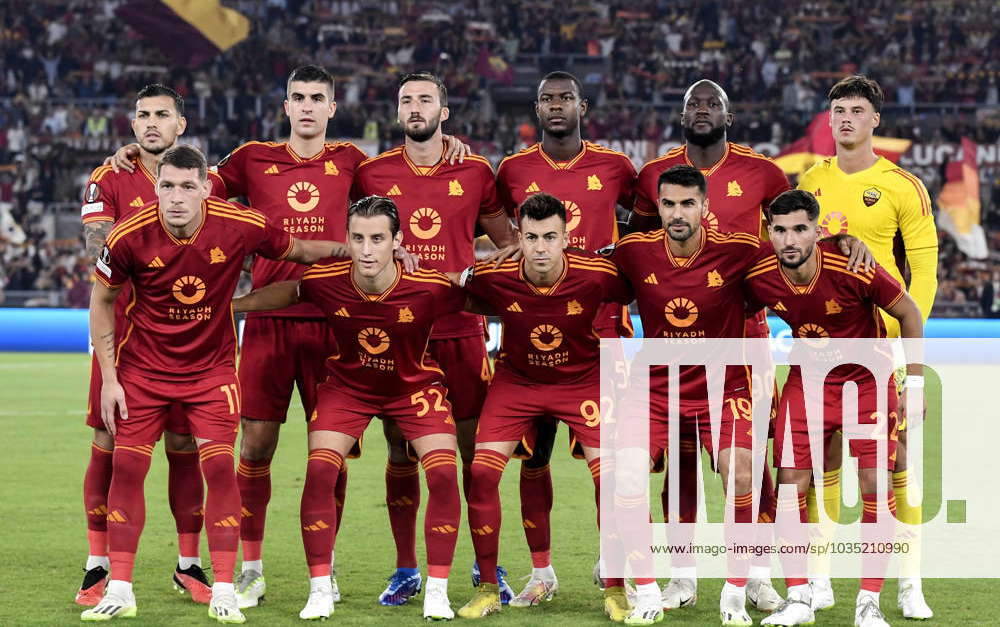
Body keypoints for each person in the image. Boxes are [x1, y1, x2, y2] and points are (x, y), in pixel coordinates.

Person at [106, 65, 471, 609]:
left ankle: (327, 571)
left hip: (335, 324)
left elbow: (401, 191)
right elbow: (190, 181)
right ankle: (250, 568)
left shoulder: (355, 163)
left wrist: (447, 145)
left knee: (331, 454)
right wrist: (139, 158)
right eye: (297, 97)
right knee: (254, 446)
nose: (306, 106)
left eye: (316, 98)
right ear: (286, 106)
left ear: (331, 107)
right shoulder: (252, 157)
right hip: (269, 322)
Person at [81, 145, 344, 623]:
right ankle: (119, 587)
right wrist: (110, 379)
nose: (176, 197)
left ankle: (224, 586)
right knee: (128, 470)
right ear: (155, 188)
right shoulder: (128, 235)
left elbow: (302, 251)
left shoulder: (240, 223)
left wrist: (353, 250)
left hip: (211, 374)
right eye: (167, 186)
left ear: (207, 187)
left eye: (187, 186)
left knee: (221, 470)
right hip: (142, 372)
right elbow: (101, 300)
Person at [231, 195, 465, 621]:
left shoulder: (429, 285)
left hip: (411, 389)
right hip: (349, 388)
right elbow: (289, 292)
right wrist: (232, 307)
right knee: (321, 469)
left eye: (378, 238)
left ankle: (437, 590)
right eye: (358, 238)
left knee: (445, 472)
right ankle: (321, 588)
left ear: (398, 241)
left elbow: (481, 297)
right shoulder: (326, 279)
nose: (367, 249)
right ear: (348, 240)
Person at [351, 72, 518, 606]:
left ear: (444, 111)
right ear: (397, 112)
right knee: (400, 451)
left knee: (473, 455)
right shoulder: (371, 173)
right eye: (406, 100)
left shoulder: (475, 171)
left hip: (462, 331)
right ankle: (406, 569)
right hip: (398, 334)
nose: (415, 107)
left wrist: (474, 272)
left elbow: (510, 244)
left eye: (425, 99)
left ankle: (485, 567)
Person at [450, 192, 649, 621]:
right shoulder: (495, 274)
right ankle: (490, 586)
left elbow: (646, 284)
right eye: (533, 237)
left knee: (610, 482)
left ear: (565, 238)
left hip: (584, 381)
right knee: (482, 474)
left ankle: (615, 587)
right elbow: (453, 289)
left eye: (550, 237)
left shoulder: (597, 273)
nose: (541, 248)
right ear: (518, 237)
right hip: (517, 383)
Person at [630, 79, 790, 613]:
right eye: (693, 104)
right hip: (679, 343)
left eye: (712, 104)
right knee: (680, 461)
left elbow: (789, 244)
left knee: (750, 459)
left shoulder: (764, 172)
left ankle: (757, 573)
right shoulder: (656, 174)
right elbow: (638, 249)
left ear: (730, 113)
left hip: (748, 339)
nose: (702, 111)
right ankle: (682, 576)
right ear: (680, 115)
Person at [77, 83, 226, 607]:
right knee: (110, 444)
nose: (151, 123)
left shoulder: (207, 180)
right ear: (133, 123)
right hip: (123, 339)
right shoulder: (108, 177)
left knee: (185, 448)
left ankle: (188, 563)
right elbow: (100, 252)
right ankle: (98, 567)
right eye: (143, 115)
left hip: (187, 340)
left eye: (163, 114)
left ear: (180, 124)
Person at [747, 190, 924, 627]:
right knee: (790, 483)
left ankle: (869, 603)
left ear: (817, 230)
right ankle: (800, 599)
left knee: (874, 482)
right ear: (770, 231)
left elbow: (910, 312)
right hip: (807, 383)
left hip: (867, 381)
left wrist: (915, 383)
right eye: (781, 230)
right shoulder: (760, 275)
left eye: (800, 229)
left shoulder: (853, 264)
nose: (790, 240)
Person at [494, 70, 638, 605]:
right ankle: (543, 572)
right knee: (534, 458)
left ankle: (611, 562)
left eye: (566, 98)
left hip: (602, 332)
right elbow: (494, 224)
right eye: (547, 99)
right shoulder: (511, 169)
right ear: (536, 108)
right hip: (531, 332)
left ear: (584, 105)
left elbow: (644, 225)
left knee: (613, 459)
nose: (557, 106)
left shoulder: (617, 168)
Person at [796, 75, 937, 619]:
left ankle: (909, 580)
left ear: (876, 119)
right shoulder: (812, 180)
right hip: (823, 346)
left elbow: (923, 262)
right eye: (839, 110)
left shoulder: (902, 184)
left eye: (858, 109)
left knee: (894, 458)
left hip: (882, 346)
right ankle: (824, 578)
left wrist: (904, 332)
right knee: (824, 454)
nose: (847, 118)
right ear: (829, 121)